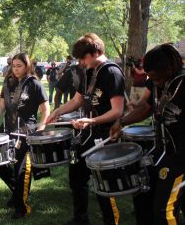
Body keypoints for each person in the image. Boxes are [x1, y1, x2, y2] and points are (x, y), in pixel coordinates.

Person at [46, 33, 125, 225]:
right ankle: (80, 219)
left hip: (105, 137)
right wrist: (57, 111)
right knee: (77, 179)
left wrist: (92, 121)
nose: (81, 62)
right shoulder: (89, 70)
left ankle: (111, 221)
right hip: (85, 135)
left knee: (104, 184)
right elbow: (77, 100)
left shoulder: (112, 73)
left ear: (96, 52)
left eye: (83, 57)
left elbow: (118, 111)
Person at [109, 43, 184, 225]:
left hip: (181, 156)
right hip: (162, 150)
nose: (152, 81)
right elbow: (147, 108)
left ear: (170, 69)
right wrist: (122, 121)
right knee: (143, 195)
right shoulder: (156, 81)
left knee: (164, 210)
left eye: (155, 77)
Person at [0, 53, 49, 218]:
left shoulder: (34, 84)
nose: (16, 69)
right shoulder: (8, 82)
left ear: (27, 66)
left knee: (21, 169)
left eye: (19, 66)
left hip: (25, 132)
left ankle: (21, 207)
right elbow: (1, 105)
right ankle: (17, 192)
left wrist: (41, 127)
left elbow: (45, 109)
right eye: (13, 66)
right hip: (7, 130)